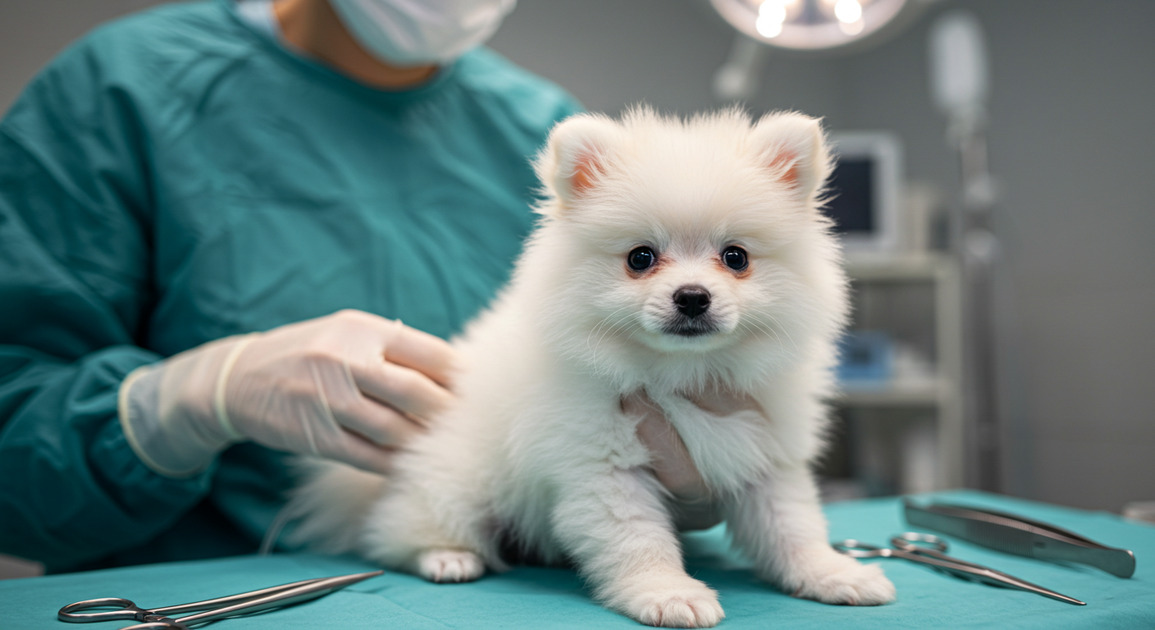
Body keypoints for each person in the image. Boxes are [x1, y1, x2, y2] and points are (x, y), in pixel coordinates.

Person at [0, 0, 721, 574]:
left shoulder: (539, 129)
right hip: (200, 586)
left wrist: (677, 475)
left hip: (492, 588)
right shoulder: (122, 91)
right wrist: (188, 401)